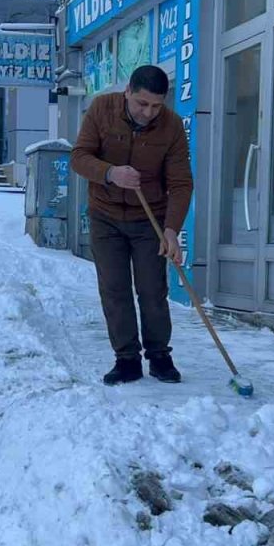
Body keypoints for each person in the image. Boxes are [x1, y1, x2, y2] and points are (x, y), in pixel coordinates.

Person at [71, 65, 194, 386]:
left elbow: (180, 182)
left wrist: (171, 230)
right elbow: (79, 156)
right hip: (105, 215)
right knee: (114, 288)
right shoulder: (102, 109)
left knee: (153, 289)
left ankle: (159, 356)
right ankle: (126, 358)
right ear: (127, 92)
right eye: (142, 103)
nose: (149, 112)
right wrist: (111, 173)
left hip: (148, 218)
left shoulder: (172, 126)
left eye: (157, 105)